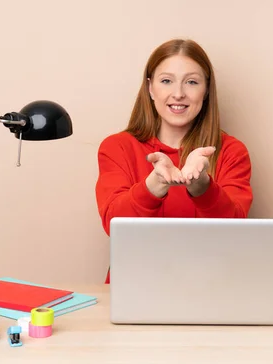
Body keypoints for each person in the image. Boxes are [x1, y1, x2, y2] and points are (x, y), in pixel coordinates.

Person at [95, 39, 253, 283]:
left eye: (191, 82)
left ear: (207, 89)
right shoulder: (117, 147)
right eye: (166, 81)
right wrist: (154, 184)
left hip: (210, 286)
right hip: (134, 284)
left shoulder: (232, 151)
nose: (178, 94)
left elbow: (233, 233)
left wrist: (202, 186)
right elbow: (114, 226)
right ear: (150, 88)